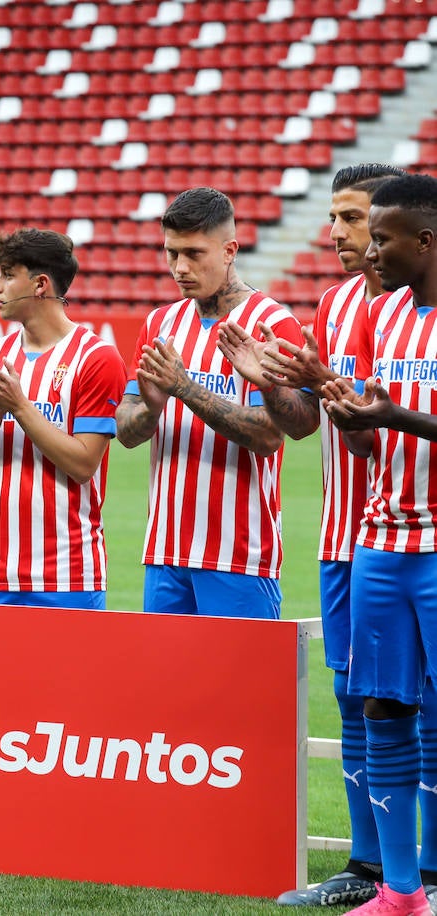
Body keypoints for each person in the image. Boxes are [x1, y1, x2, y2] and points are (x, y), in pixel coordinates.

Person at [219, 165, 433, 908]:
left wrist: (366, 411)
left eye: (356, 221)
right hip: (356, 538)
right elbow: (316, 422)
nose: (344, 237)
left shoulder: (398, 306)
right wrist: (281, 385)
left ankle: (426, 874)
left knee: (422, 706)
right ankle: (374, 872)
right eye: (342, 222)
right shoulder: (344, 307)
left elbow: (385, 416)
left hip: (414, 534)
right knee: (362, 701)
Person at [315, 172, 437, 916]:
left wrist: (400, 415)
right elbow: (367, 442)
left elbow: (401, 416)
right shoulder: (384, 317)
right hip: (379, 544)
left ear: (426, 241)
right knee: (381, 709)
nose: (371, 251)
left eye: (384, 238)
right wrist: (345, 407)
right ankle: (399, 891)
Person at [114, 186, 303, 619]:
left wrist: (186, 389)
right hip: (164, 550)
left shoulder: (271, 324)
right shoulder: (160, 323)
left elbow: (269, 434)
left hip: (238, 554)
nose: (180, 267)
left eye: (194, 253)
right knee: (167, 686)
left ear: (230, 250)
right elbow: (125, 431)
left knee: (242, 685)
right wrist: (151, 409)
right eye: (171, 253)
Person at [0, 228, 126, 609]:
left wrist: (20, 408)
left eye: (6, 274)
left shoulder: (97, 358)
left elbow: (83, 464)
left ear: (40, 284)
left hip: (69, 575)